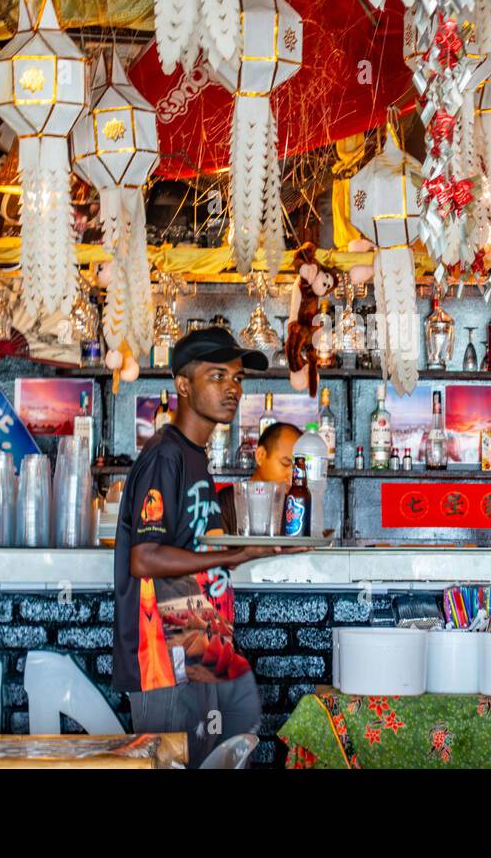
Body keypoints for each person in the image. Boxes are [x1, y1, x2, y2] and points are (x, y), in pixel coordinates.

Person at [112, 327, 308, 765]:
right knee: (172, 760)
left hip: (200, 650)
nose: (233, 388)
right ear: (183, 385)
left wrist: (255, 552)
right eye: (218, 376)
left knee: (223, 750)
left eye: (237, 378)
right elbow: (144, 558)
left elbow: (195, 559)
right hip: (162, 657)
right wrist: (234, 555)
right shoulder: (166, 456)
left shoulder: (194, 457)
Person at [218, 421, 302, 535]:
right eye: (285, 464)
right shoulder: (227, 500)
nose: (292, 475)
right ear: (260, 455)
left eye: (297, 468)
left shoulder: (295, 508)